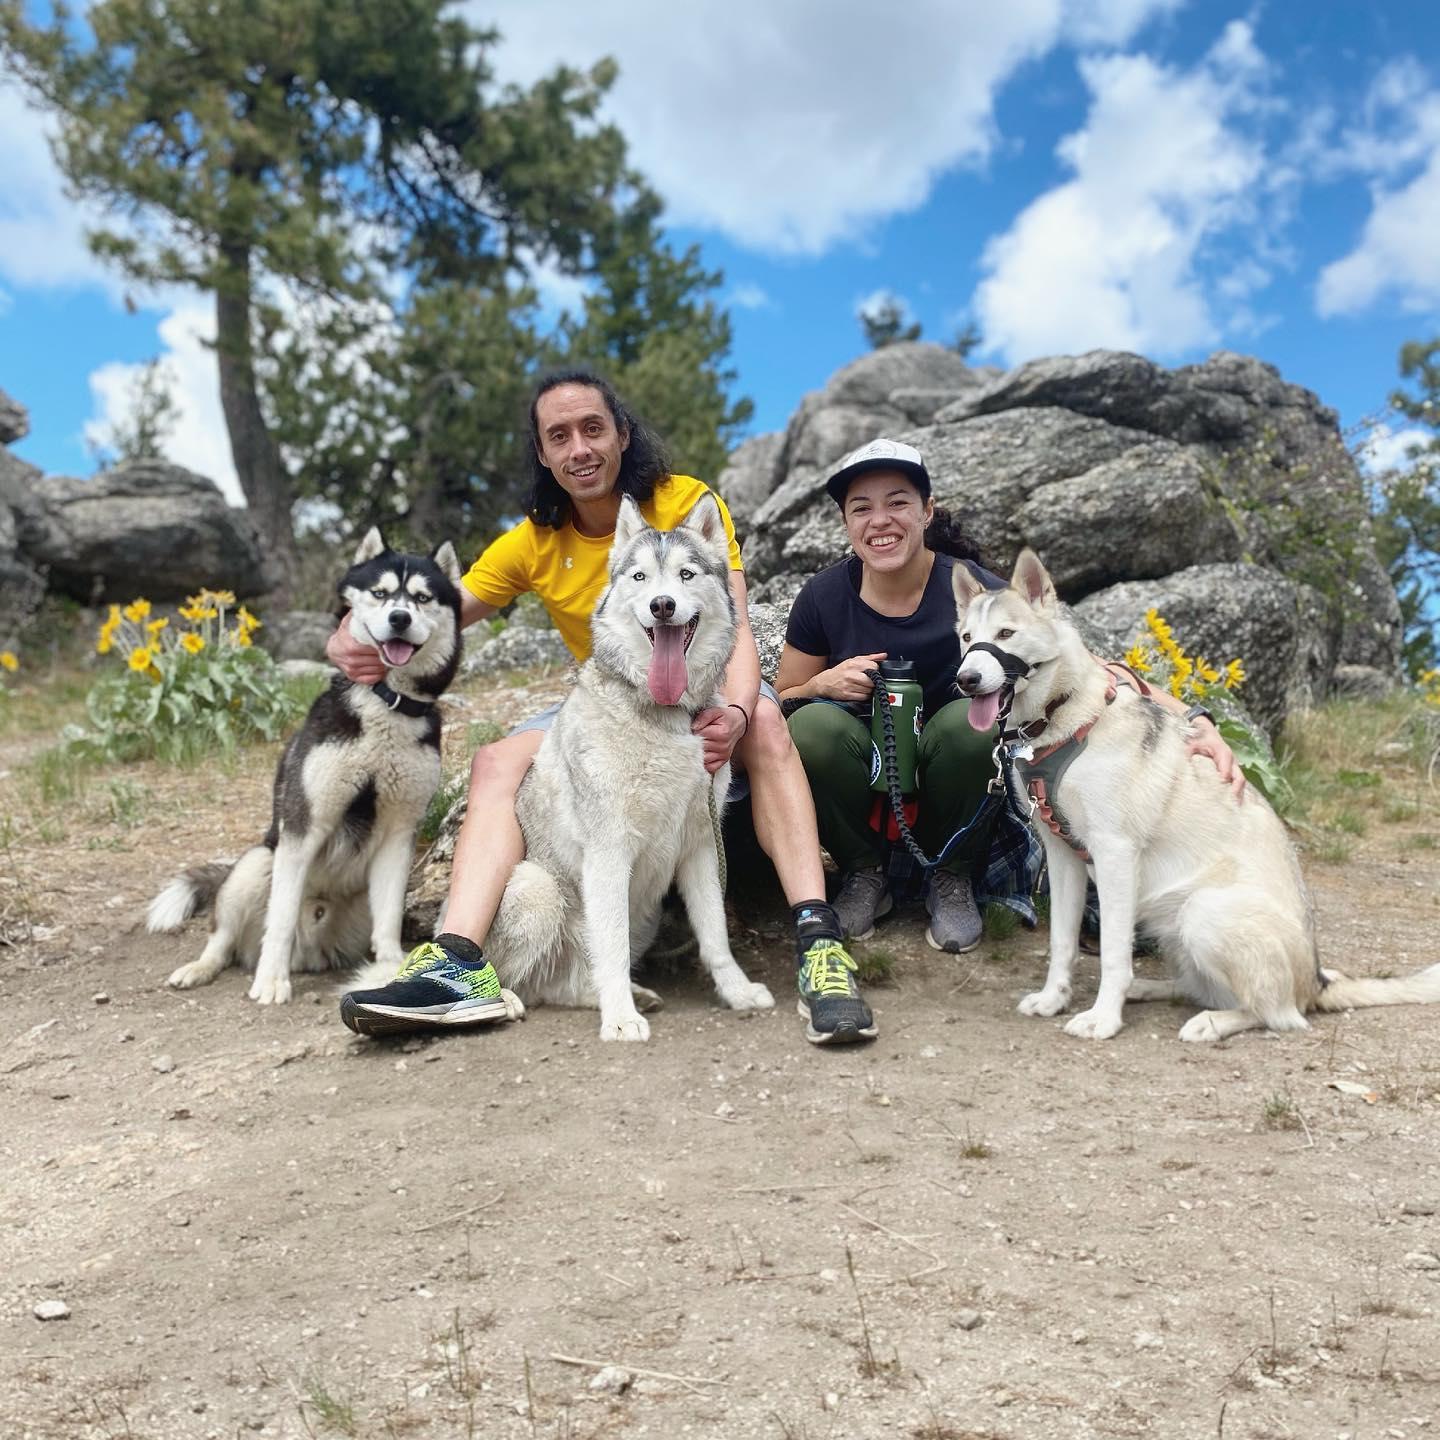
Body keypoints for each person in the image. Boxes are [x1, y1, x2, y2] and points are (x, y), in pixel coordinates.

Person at [330, 371, 878, 1046]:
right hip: (613, 699)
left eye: (593, 428)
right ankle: (457, 959)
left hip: (701, 688)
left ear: (621, 433)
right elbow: (440, 610)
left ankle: (817, 941)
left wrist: (735, 711)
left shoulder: (685, 501)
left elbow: (730, 613)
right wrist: (350, 627)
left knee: (765, 722)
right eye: (558, 436)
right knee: (498, 759)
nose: (579, 448)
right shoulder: (532, 539)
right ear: (542, 453)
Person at [776, 438, 1245, 949]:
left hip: (954, 782)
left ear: (927, 511)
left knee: (974, 724)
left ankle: (950, 877)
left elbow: (1091, 669)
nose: (880, 520)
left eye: (898, 502)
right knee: (809, 726)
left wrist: (1197, 722)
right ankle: (865, 874)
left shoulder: (976, 594)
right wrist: (821, 684)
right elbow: (785, 694)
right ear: (846, 522)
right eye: (861, 508)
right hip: (864, 774)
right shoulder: (823, 596)